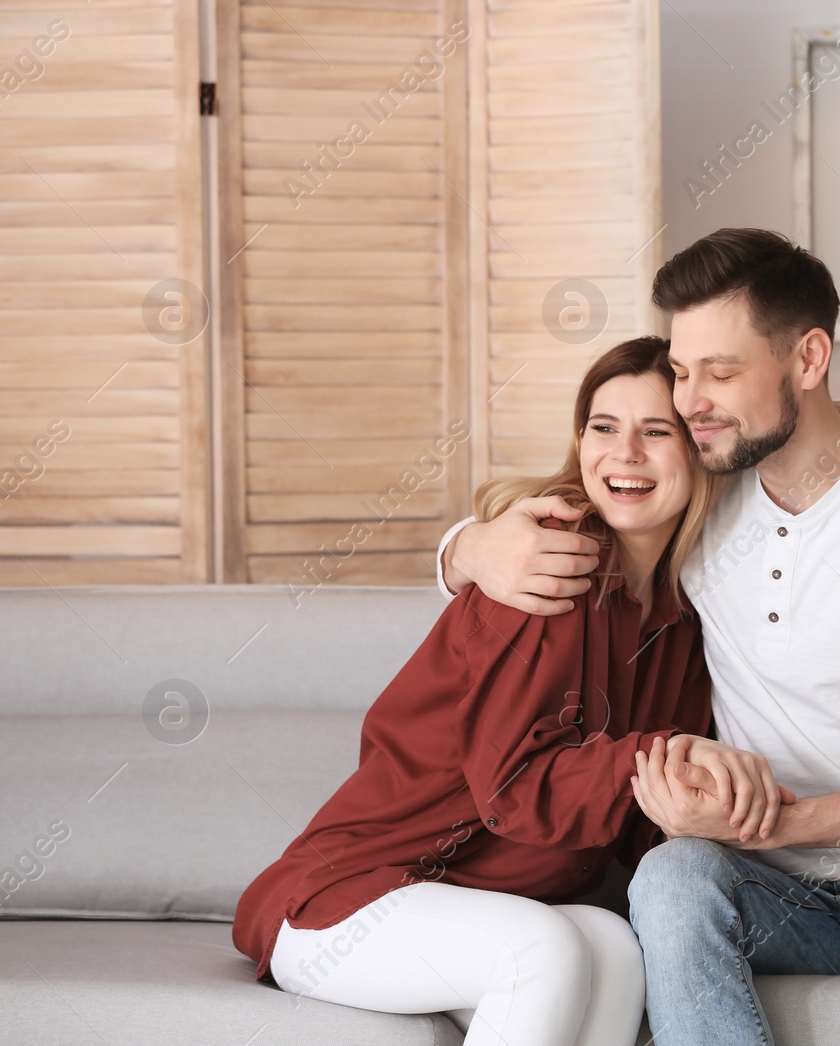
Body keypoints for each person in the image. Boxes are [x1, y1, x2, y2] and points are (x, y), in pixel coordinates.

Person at [437, 229, 840, 1046]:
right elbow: (594, 493)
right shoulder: (702, 503)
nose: (690, 402)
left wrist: (780, 822)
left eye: (721, 372)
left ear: (809, 358)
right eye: (683, 372)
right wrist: (464, 546)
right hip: (770, 893)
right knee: (673, 875)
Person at [233, 337, 781, 1046]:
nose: (625, 454)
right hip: (350, 898)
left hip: (480, 904)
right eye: (603, 427)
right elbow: (513, 786)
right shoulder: (539, 565)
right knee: (541, 950)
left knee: (615, 948)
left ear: (698, 452)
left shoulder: (681, 622)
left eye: (656, 432)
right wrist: (666, 750)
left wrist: (716, 804)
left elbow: (644, 818)